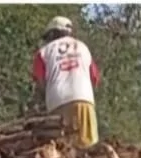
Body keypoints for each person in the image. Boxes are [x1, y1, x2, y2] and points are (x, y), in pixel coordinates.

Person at [31, 16, 101, 148]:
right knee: (88, 148)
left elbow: (39, 81)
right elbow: (95, 79)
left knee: (63, 149)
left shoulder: (43, 52)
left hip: (57, 102)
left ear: (52, 33)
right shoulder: (83, 47)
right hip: (84, 99)